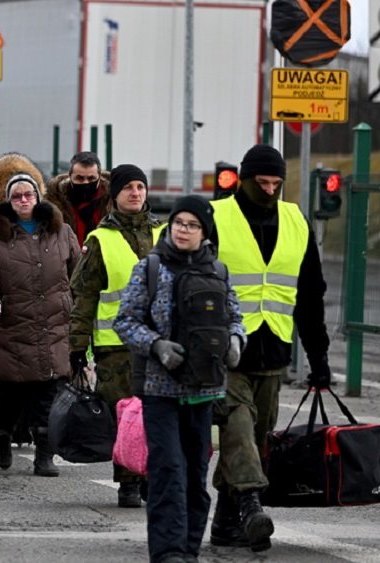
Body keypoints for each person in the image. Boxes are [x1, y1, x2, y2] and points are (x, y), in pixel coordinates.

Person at [207, 144, 332, 552]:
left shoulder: (296, 221)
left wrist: (318, 357)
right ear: (243, 180)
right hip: (225, 351)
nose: (270, 190)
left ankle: (227, 523)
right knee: (238, 426)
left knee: (255, 439)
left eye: (277, 183)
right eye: (261, 183)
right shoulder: (217, 217)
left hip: (273, 349)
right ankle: (250, 506)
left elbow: (311, 295)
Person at [114, 195, 245, 563]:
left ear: (205, 232)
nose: (183, 231)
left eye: (192, 225)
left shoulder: (217, 271)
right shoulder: (151, 268)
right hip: (161, 391)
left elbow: (235, 317)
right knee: (168, 471)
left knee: (195, 477)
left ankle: (188, 550)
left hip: (205, 389)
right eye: (178, 224)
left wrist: (236, 341)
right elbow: (125, 321)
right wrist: (156, 346)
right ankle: (168, 553)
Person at [0, 155, 80, 476]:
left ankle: (44, 455)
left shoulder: (62, 232)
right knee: (9, 396)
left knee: (48, 396)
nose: (23, 201)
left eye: (28, 195)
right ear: (8, 200)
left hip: (53, 326)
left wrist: (78, 305)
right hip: (12, 326)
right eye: (16, 196)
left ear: (38, 197)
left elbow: (78, 273)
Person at [69, 164, 163, 507]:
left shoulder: (165, 234)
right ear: (114, 195)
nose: (135, 193)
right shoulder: (99, 240)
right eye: (128, 188)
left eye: (140, 187)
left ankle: (153, 475)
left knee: (159, 412)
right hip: (115, 346)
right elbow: (84, 297)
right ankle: (128, 480)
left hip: (160, 345)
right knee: (125, 414)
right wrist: (77, 346)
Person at [45, 151, 111, 245]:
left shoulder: (113, 201)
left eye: (91, 178)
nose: (85, 183)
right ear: (70, 176)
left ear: (99, 177)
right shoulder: (54, 202)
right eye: (79, 178)